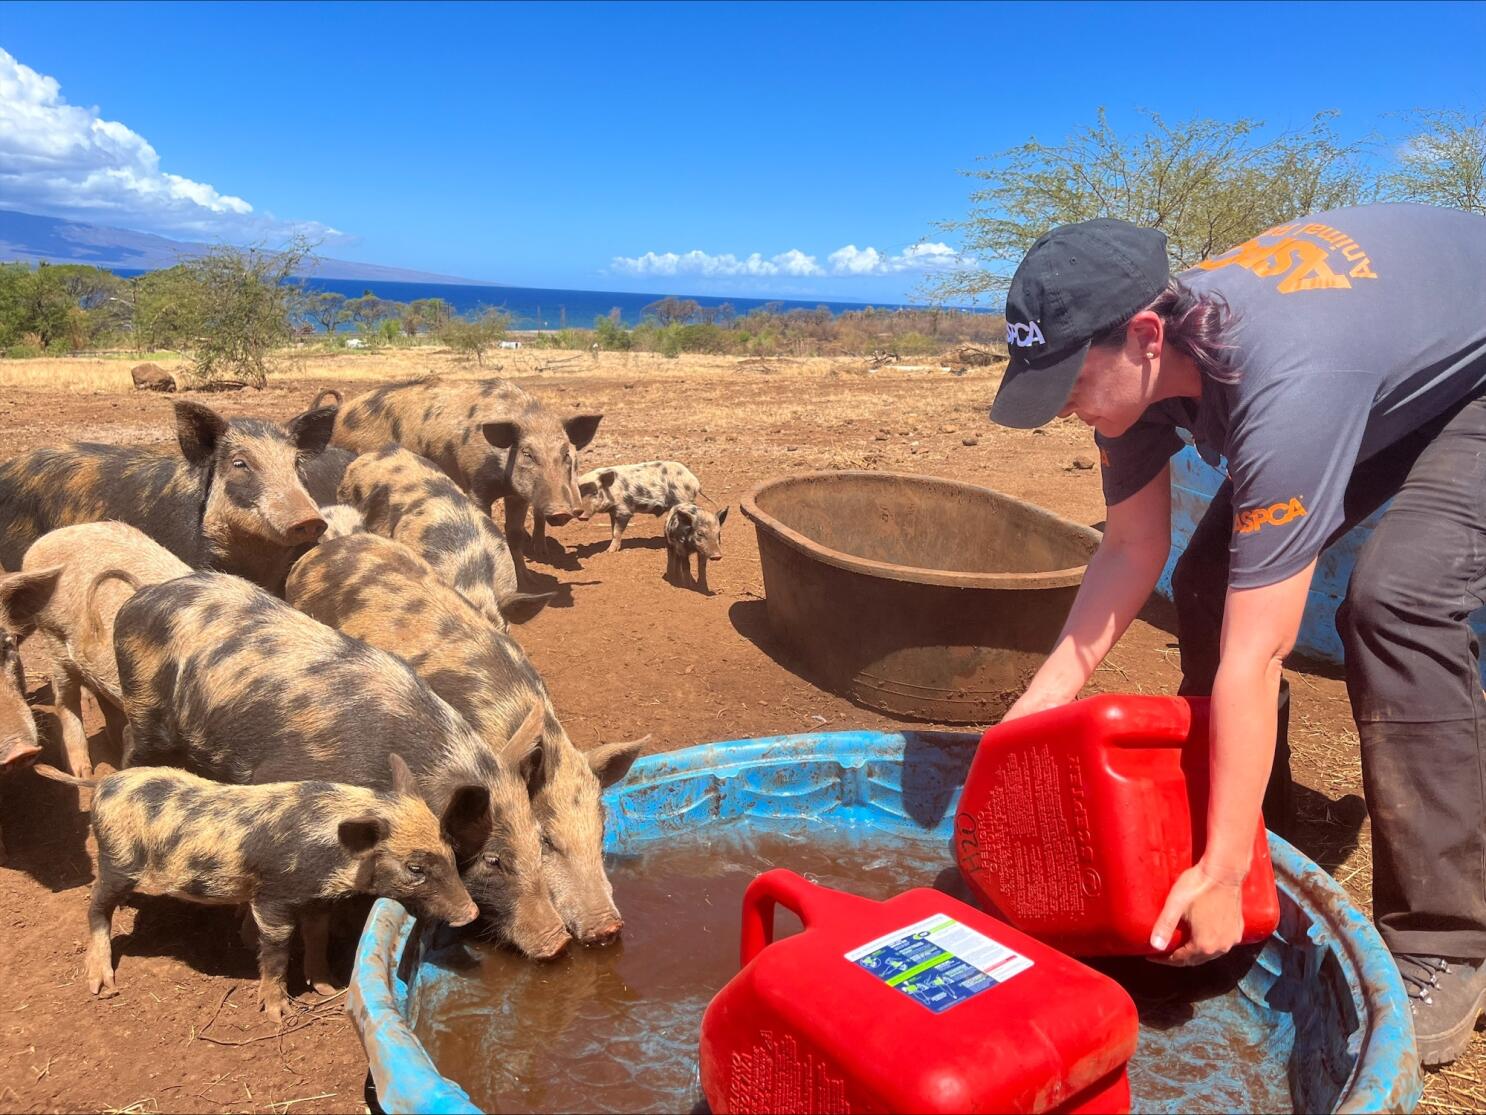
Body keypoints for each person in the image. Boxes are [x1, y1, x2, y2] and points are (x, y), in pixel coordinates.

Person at [990, 204, 1486, 1066]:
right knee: (1206, 580)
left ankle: (1446, 941)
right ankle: (1258, 848)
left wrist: (1213, 874)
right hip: (1384, 349)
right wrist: (1032, 711)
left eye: (1070, 378)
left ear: (1146, 334)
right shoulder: (1139, 382)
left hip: (1467, 368)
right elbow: (1130, 549)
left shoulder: (1284, 385)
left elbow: (1259, 654)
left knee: (1394, 602)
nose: (1061, 405)